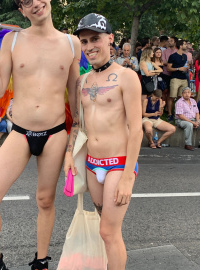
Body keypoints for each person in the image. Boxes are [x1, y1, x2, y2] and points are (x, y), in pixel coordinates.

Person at [0, 0, 81, 267]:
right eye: (25, 2)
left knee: (45, 201)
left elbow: (76, 100)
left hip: (56, 133)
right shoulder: (12, 40)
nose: (35, 3)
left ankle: (41, 261)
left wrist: (74, 145)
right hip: (21, 133)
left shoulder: (72, 43)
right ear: (21, 10)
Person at [65, 13, 141, 270]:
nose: (89, 47)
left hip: (118, 165)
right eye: (84, 41)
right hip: (91, 163)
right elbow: (77, 123)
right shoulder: (82, 82)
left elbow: (136, 128)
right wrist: (68, 155)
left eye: (95, 39)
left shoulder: (127, 77)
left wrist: (128, 176)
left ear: (110, 38)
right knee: (106, 229)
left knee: (108, 232)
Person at [167, 39, 189, 120]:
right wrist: (178, 69)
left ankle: (179, 113)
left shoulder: (185, 56)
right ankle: (170, 114)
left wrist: (187, 68)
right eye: (184, 44)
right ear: (180, 46)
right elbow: (169, 68)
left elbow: (185, 66)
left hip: (184, 78)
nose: (186, 45)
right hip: (175, 78)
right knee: (172, 96)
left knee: (181, 97)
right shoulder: (173, 56)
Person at [161, 36, 177, 120]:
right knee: (164, 91)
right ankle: (163, 108)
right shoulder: (164, 51)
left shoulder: (177, 52)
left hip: (174, 75)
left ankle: (168, 108)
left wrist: (170, 64)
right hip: (165, 73)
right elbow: (164, 62)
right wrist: (173, 64)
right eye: (169, 41)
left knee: (172, 93)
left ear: (175, 42)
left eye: (171, 41)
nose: (169, 42)